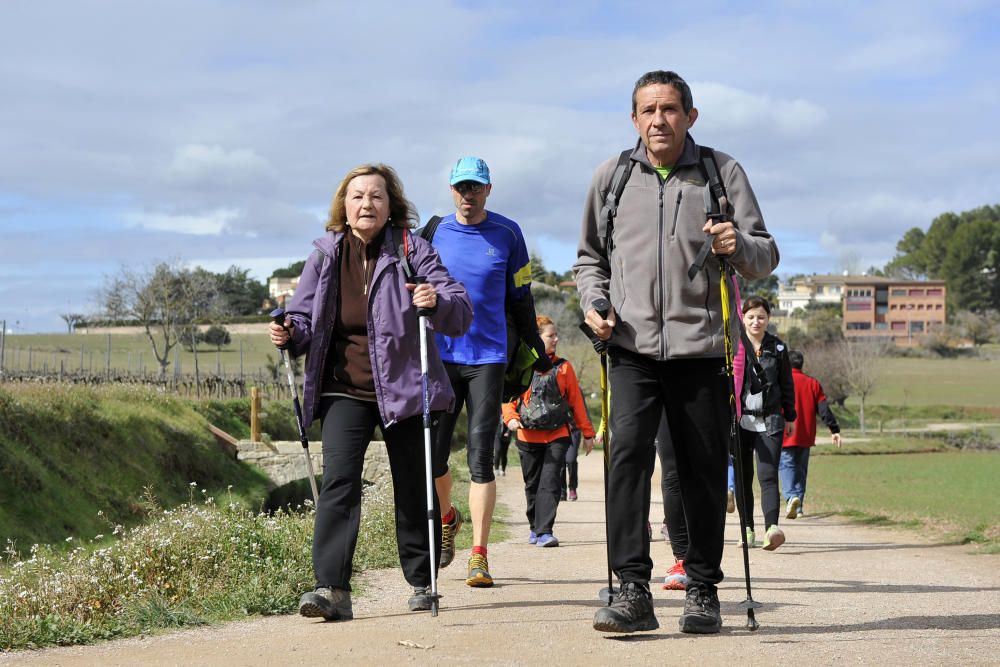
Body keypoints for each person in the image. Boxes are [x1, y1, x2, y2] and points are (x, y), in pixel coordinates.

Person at [575, 70, 779, 634]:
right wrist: (594, 301)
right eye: (648, 110)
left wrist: (739, 246)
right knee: (628, 465)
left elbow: (767, 255)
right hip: (631, 348)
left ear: (691, 116)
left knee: (703, 472)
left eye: (669, 109)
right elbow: (589, 258)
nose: (658, 120)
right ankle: (633, 590)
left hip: (702, 351)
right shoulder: (611, 177)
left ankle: (703, 591)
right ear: (634, 118)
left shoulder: (722, 172)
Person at [269, 163, 472, 620]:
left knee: (412, 484)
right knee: (340, 482)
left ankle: (422, 581)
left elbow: (458, 308)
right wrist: (289, 333)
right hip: (344, 388)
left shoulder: (410, 249)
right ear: (344, 204)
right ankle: (331, 590)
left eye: (377, 196)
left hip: (404, 385)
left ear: (390, 205)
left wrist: (435, 301)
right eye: (358, 196)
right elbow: (303, 319)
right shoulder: (324, 256)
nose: (367, 204)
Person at [431, 156, 552, 588]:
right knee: (433, 458)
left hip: (488, 356)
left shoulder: (508, 233)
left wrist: (533, 345)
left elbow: (522, 293)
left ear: (488, 189)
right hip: (441, 357)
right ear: (451, 189)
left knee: (480, 454)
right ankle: (448, 518)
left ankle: (479, 556)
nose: (469, 194)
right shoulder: (432, 233)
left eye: (476, 187)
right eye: (462, 186)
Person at [503, 316, 595, 547]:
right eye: (550, 335)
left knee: (551, 483)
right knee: (532, 484)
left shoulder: (564, 367)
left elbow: (576, 402)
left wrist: (587, 434)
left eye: (556, 335)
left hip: (558, 434)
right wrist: (511, 418)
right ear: (537, 338)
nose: (556, 339)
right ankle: (534, 527)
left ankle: (545, 531)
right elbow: (507, 397)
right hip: (526, 434)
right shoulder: (521, 364)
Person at [733, 296, 796, 551]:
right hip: (740, 419)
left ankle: (772, 528)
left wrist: (790, 416)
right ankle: (746, 529)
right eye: (751, 317)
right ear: (743, 318)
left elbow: (787, 384)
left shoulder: (778, 349)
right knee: (742, 477)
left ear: (768, 319)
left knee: (767, 475)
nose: (756, 321)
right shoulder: (734, 347)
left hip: (770, 420)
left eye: (761, 317)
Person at [781, 349, 842, 518]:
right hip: (806, 435)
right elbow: (824, 410)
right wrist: (834, 429)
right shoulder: (813, 383)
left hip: (785, 434)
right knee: (801, 470)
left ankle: (791, 497)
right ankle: (798, 506)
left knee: (786, 466)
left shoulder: (781, 382)